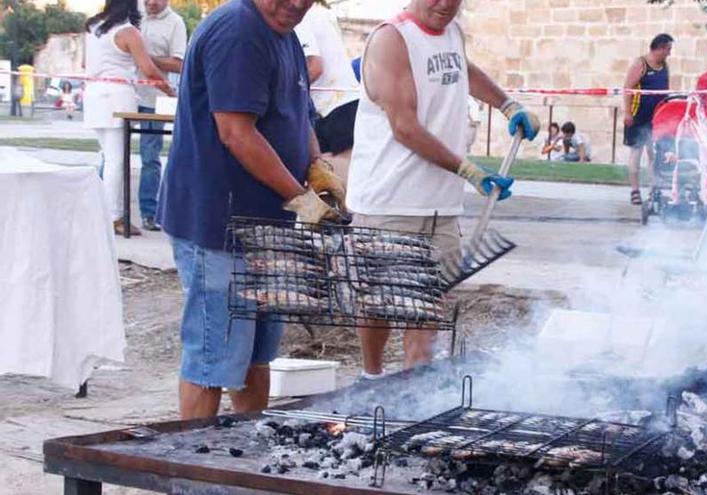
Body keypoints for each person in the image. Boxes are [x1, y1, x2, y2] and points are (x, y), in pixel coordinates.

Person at [156, 0, 345, 419]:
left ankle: (245, 460)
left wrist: (317, 169)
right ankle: (193, 473)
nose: (297, 3)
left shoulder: (287, 37)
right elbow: (236, 133)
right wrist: (300, 198)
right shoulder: (239, 30)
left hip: (266, 226)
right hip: (219, 225)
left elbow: (298, 117)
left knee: (257, 359)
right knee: (213, 361)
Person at [347, 0, 541, 380]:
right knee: (379, 303)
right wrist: (468, 170)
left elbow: (461, 68)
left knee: (428, 309)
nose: (446, 4)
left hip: (442, 207)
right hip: (389, 201)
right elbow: (404, 126)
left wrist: (506, 104)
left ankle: (413, 394)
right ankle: (370, 378)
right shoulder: (392, 40)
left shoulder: (453, 30)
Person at [83, 0, 174, 236]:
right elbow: (149, 69)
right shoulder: (129, 32)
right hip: (116, 97)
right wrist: (170, 91)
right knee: (115, 161)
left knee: (107, 157)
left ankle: (103, 213)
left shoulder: (94, 26)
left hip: (93, 94)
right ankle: (113, 217)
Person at [136, 0, 187, 232]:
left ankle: (149, 212)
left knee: (150, 156)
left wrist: (145, 57)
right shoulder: (133, 15)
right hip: (126, 94)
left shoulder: (175, 23)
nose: (151, 3)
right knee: (112, 157)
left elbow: (178, 64)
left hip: (153, 99)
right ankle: (108, 209)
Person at [295, 0, 360, 184]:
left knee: (333, 185)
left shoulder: (300, 18)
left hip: (334, 108)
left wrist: (284, 91)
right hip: (342, 104)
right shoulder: (318, 13)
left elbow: (315, 66)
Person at [623, 33, 673, 205]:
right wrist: (628, 113)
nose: (669, 53)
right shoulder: (641, 64)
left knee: (655, 154)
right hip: (638, 115)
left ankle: (655, 188)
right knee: (636, 152)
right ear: (659, 48)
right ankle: (635, 191)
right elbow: (628, 88)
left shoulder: (664, 65)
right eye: (668, 49)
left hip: (657, 117)